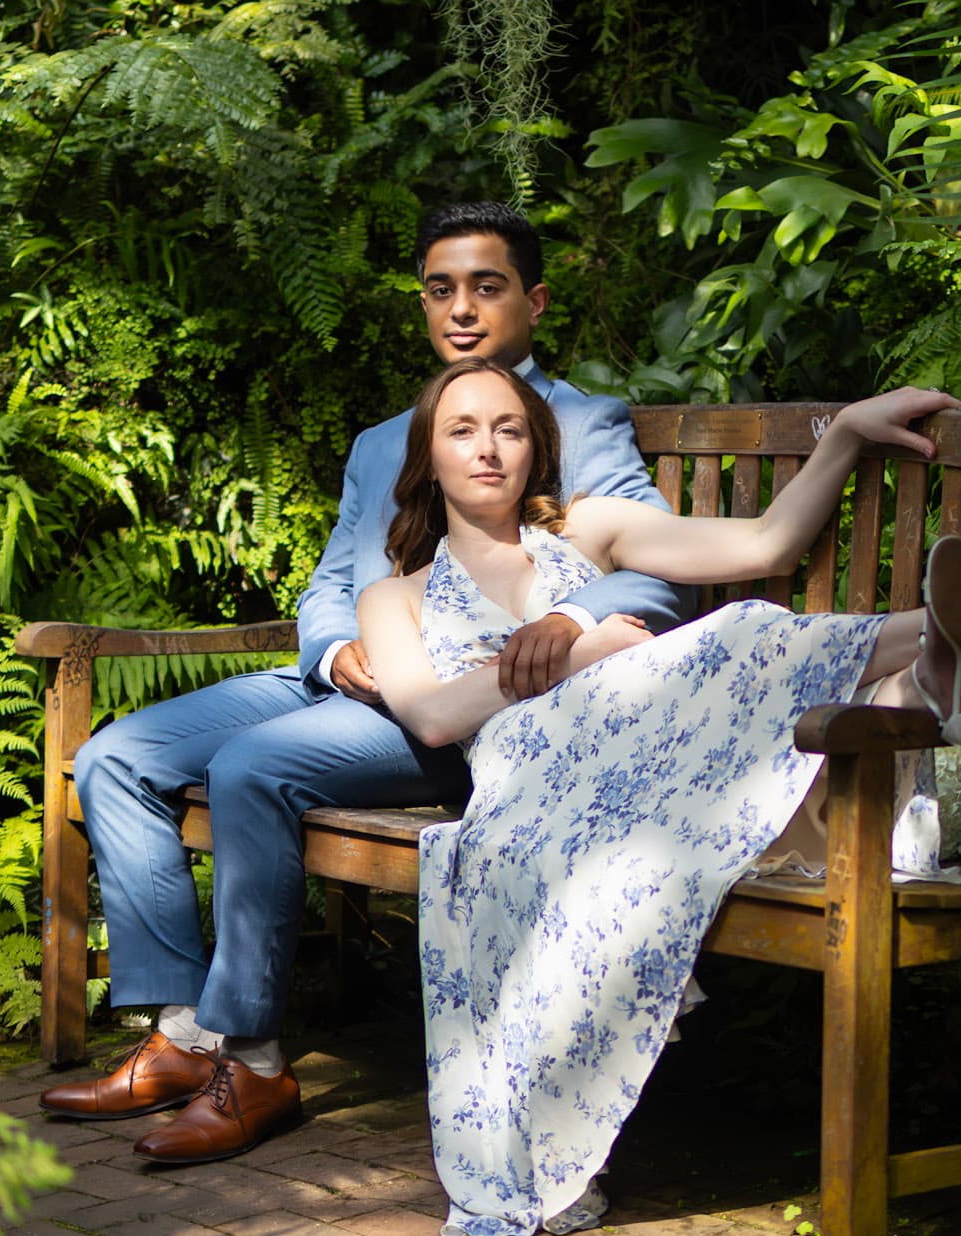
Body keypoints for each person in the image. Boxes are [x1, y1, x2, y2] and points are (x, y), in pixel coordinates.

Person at [356, 356, 961, 1236]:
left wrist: (847, 430)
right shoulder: (392, 595)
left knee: (744, 626)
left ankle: (957, 648)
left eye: (508, 429)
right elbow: (433, 716)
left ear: (536, 448)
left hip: (649, 759)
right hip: (530, 774)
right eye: (461, 431)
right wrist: (581, 652)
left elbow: (767, 545)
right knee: (739, 636)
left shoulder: (589, 530)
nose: (487, 449)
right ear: (425, 457)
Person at [38, 204, 690, 1164]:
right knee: (118, 754)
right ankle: (186, 1036)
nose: (460, 308)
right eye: (440, 289)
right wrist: (336, 648)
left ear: (535, 300)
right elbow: (335, 579)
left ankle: (255, 1065)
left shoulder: (581, 423)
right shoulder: (387, 439)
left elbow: (652, 566)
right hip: (353, 679)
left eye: (487, 286)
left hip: (465, 709)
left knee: (255, 768)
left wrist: (569, 618)